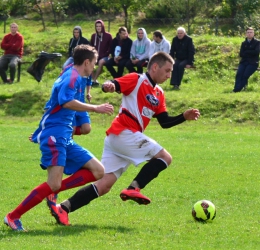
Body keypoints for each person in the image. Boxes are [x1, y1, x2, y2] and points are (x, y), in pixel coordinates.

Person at [47, 51, 200, 226]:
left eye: (171, 72)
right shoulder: (137, 79)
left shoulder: (159, 93)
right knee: (165, 158)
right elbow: (114, 84)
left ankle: (63, 208)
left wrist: (183, 117)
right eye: (167, 70)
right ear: (155, 67)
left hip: (121, 140)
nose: (169, 75)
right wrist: (108, 86)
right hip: (124, 133)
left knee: (103, 185)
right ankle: (133, 188)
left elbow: (164, 122)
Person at [4, 44, 114, 231]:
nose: (94, 67)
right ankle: (13, 217)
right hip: (55, 135)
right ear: (86, 62)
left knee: (98, 171)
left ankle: (51, 191)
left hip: (62, 136)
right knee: (53, 183)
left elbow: (55, 107)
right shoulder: (71, 77)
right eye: (94, 63)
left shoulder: (75, 76)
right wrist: (95, 108)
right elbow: (65, 102)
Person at [232, 27, 260, 93]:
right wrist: (250, 52)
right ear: (246, 34)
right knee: (239, 74)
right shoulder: (243, 43)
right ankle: (236, 88)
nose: (249, 34)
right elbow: (241, 54)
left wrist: (247, 51)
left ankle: (238, 90)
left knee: (245, 75)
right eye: (248, 32)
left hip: (253, 63)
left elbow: (256, 52)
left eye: (251, 32)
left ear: (253, 34)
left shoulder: (257, 42)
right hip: (244, 62)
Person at [90, 20, 113, 86]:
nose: (98, 27)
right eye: (97, 26)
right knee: (89, 62)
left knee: (101, 62)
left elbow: (111, 48)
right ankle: (93, 80)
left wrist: (105, 54)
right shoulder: (93, 36)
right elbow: (91, 47)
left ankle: (94, 80)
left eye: (100, 26)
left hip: (105, 56)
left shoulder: (108, 36)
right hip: (95, 56)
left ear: (102, 26)